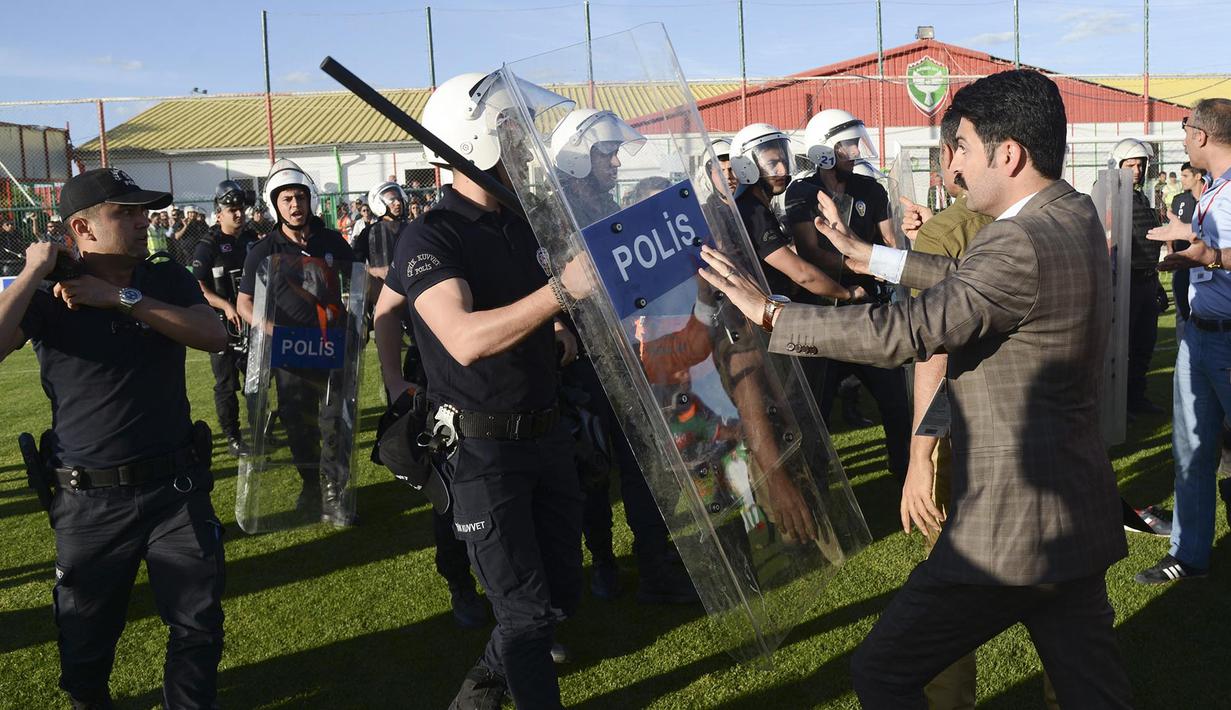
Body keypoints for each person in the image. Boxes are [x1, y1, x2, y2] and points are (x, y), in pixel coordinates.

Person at [699, 69, 1133, 708]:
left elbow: (908, 329)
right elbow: (969, 279)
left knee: (882, 670)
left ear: (1006, 154)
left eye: (959, 146)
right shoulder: (1070, 212)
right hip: (1075, 513)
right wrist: (871, 257)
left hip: (1008, 531)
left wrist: (774, 316)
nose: (952, 164)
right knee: (1092, 693)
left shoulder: (1017, 242)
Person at [394, 71, 590, 709]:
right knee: (527, 616)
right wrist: (562, 293)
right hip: (483, 452)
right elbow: (464, 337)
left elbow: (530, 303)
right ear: (474, 139)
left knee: (558, 595)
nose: (525, 143)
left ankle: (477, 696)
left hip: (545, 434)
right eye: (511, 129)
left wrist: (558, 326)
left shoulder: (520, 222)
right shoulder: (431, 235)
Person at [0, 168, 228, 708]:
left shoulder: (160, 273)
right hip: (89, 500)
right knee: (85, 644)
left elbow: (215, 334)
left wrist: (121, 297)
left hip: (176, 488)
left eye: (141, 210)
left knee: (198, 628)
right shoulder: (47, 289)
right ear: (82, 226)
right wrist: (31, 272)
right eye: (123, 212)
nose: (140, 219)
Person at [547, 108, 700, 605]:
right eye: (604, 153)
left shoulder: (608, 207)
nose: (614, 162)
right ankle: (605, 563)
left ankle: (653, 564)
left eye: (614, 152)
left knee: (645, 466)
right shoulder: (555, 215)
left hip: (632, 354)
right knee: (593, 469)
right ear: (575, 160)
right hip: (586, 361)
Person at [784, 108, 912, 481]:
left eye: (857, 142)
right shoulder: (802, 191)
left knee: (894, 399)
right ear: (824, 151)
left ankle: (906, 475)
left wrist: (897, 256)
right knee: (817, 408)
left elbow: (889, 240)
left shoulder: (870, 188)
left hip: (867, 309)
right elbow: (809, 251)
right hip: (823, 314)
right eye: (848, 144)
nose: (856, 151)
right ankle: (817, 486)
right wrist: (860, 266)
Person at [236, 158, 359, 527]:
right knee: (299, 426)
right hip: (288, 354)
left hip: (332, 347)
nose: (294, 205)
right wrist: (270, 328)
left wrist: (361, 316)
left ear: (310, 200)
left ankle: (333, 490)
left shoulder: (331, 241)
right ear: (275, 204)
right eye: (286, 198)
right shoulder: (262, 249)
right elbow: (244, 301)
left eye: (300, 197)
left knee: (334, 422)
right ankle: (311, 484)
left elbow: (357, 282)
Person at [1139, 98, 1231, 583]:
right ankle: (1189, 554)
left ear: (1201, 135)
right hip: (1200, 337)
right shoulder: (1215, 189)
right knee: (1192, 449)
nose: (1180, 138)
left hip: (1225, 341)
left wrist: (1208, 255)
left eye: (1184, 129)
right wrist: (1187, 235)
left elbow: (1219, 255)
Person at [192, 180, 259, 456]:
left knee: (257, 380)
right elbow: (198, 287)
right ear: (218, 213)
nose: (238, 213)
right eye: (231, 209)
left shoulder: (251, 240)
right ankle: (233, 437)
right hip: (222, 325)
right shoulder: (208, 245)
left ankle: (260, 431)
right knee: (227, 383)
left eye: (240, 208)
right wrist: (225, 306)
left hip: (252, 322)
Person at [1107, 138, 1165, 415]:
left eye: (1141, 165)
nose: (1138, 170)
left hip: (1147, 280)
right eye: (1131, 165)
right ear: (1118, 165)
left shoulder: (1142, 198)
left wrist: (1155, 281)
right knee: (1122, 348)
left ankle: (1136, 398)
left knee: (1144, 344)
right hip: (1125, 282)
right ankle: (1120, 405)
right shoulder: (1111, 198)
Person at [1169, 161, 1208, 326]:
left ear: (1198, 176)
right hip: (1182, 263)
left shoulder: (1212, 199)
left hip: (1205, 263)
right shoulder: (1179, 200)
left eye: (1185, 175)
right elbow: (1172, 228)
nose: (1182, 179)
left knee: (1204, 312)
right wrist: (1170, 248)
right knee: (1182, 312)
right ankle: (1184, 347)